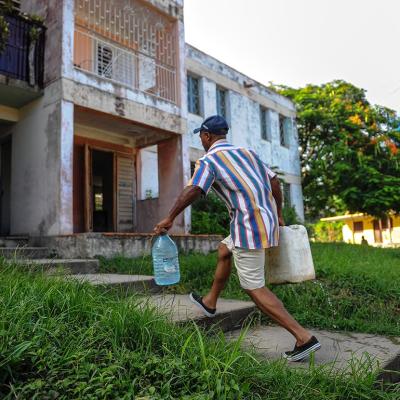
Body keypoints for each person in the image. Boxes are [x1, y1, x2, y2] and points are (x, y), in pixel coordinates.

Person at [154, 115, 321, 362]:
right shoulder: (247, 152)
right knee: (224, 249)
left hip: (248, 226)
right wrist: (279, 214)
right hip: (265, 221)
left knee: (253, 286)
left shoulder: (209, 160)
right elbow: (274, 181)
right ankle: (210, 302)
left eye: (201, 136)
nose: (201, 140)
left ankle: (303, 337)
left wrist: (169, 218)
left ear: (207, 136)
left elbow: (195, 189)